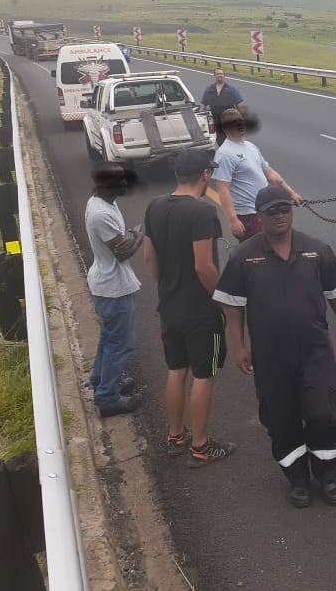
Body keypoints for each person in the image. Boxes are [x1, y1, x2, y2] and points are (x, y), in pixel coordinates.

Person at [213, 185, 336, 508]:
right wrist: (238, 346)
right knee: (281, 417)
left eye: (284, 210)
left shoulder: (316, 249)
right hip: (270, 356)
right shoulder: (243, 256)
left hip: (314, 351)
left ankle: (329, 475)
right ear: (259, 217)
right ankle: (297, 480)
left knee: (324, 412)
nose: (280, 216)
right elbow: (232, 306)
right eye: (271, 212)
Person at [144, 150, 236, 467]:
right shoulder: (202, 212)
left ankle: (175, 435)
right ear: (205, 176)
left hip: (169, 305)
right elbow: (204, 267)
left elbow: (149, 258)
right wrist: (223, 300)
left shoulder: (154, 207)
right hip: (199, 310)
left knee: (176, 368)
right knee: (204, 374)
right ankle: (200, 445)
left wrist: (166, 288)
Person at [85, 162, 143, 418]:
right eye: (119, 180)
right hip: (113, 289)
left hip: (109, 285)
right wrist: (138, 235)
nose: (124, 183)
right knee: (121, 344)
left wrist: (130, 235)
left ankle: (102, 381)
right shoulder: (101, 214)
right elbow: (124, 251)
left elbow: (123, 242)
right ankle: (108, 398)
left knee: (110, 339)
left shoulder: (105, 203)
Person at [212, 108, 302, 242]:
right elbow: (223, 189)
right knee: (256, 255)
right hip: (248, 215)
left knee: (274, 247)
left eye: (240, 121)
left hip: (266, 210)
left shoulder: (250, 146)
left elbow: (270, 173)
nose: (239, 125)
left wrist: (291, 193)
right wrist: (233, 220)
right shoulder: (225, 154)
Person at [201, 68, 247, 147]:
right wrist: (202, 120)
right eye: (218, 74)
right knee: (221, 140)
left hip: (230, 119)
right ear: (214, 76)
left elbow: (239, 105)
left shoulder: (232, 89)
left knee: (234, 139)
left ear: (224, 76)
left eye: (221, 74)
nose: (220, 75)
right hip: (216, 120)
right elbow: (203, 106)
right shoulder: (209, 90)